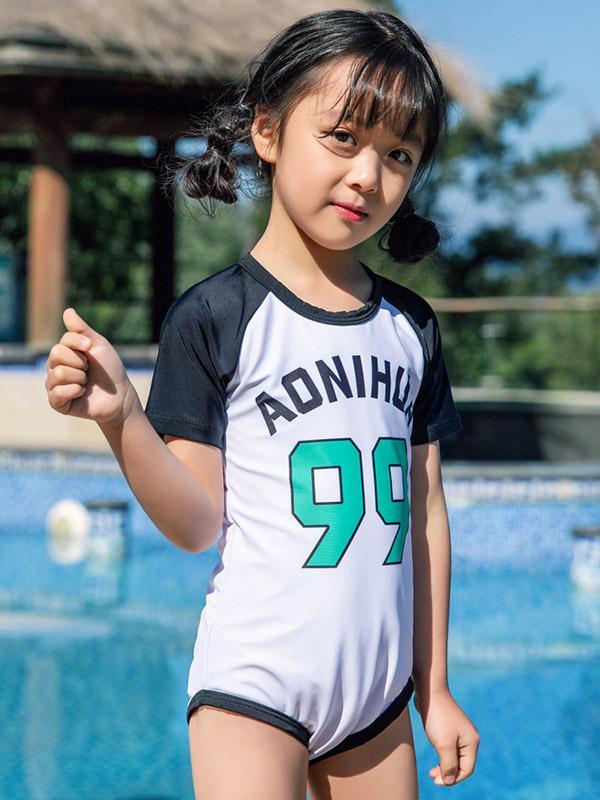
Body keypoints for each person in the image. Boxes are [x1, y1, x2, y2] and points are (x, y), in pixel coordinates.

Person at [44, 8, 480, 799]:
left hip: (378, 703)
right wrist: (123, 419)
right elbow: (195, 525)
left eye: (399, 154)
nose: (368, 174)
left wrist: (435, 685)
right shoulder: (216, 317)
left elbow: (426, 512)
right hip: (255, 687)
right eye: (342, 137)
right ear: (269, 132)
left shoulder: (410, 328)